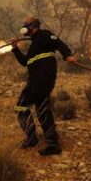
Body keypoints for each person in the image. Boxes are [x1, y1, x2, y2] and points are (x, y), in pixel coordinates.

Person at [11, 16, 76, 156]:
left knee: (21, 105)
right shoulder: (34, 45)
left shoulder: (44, 35)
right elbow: (25, 62)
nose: (24, 26)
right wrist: (15, 49)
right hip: (38, 80)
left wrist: (67, 55)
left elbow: (58, 43)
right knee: (42, 110)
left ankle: (32, 138)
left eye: (26, 24)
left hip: (41, 80)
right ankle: (52, 144)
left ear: (32, 26)